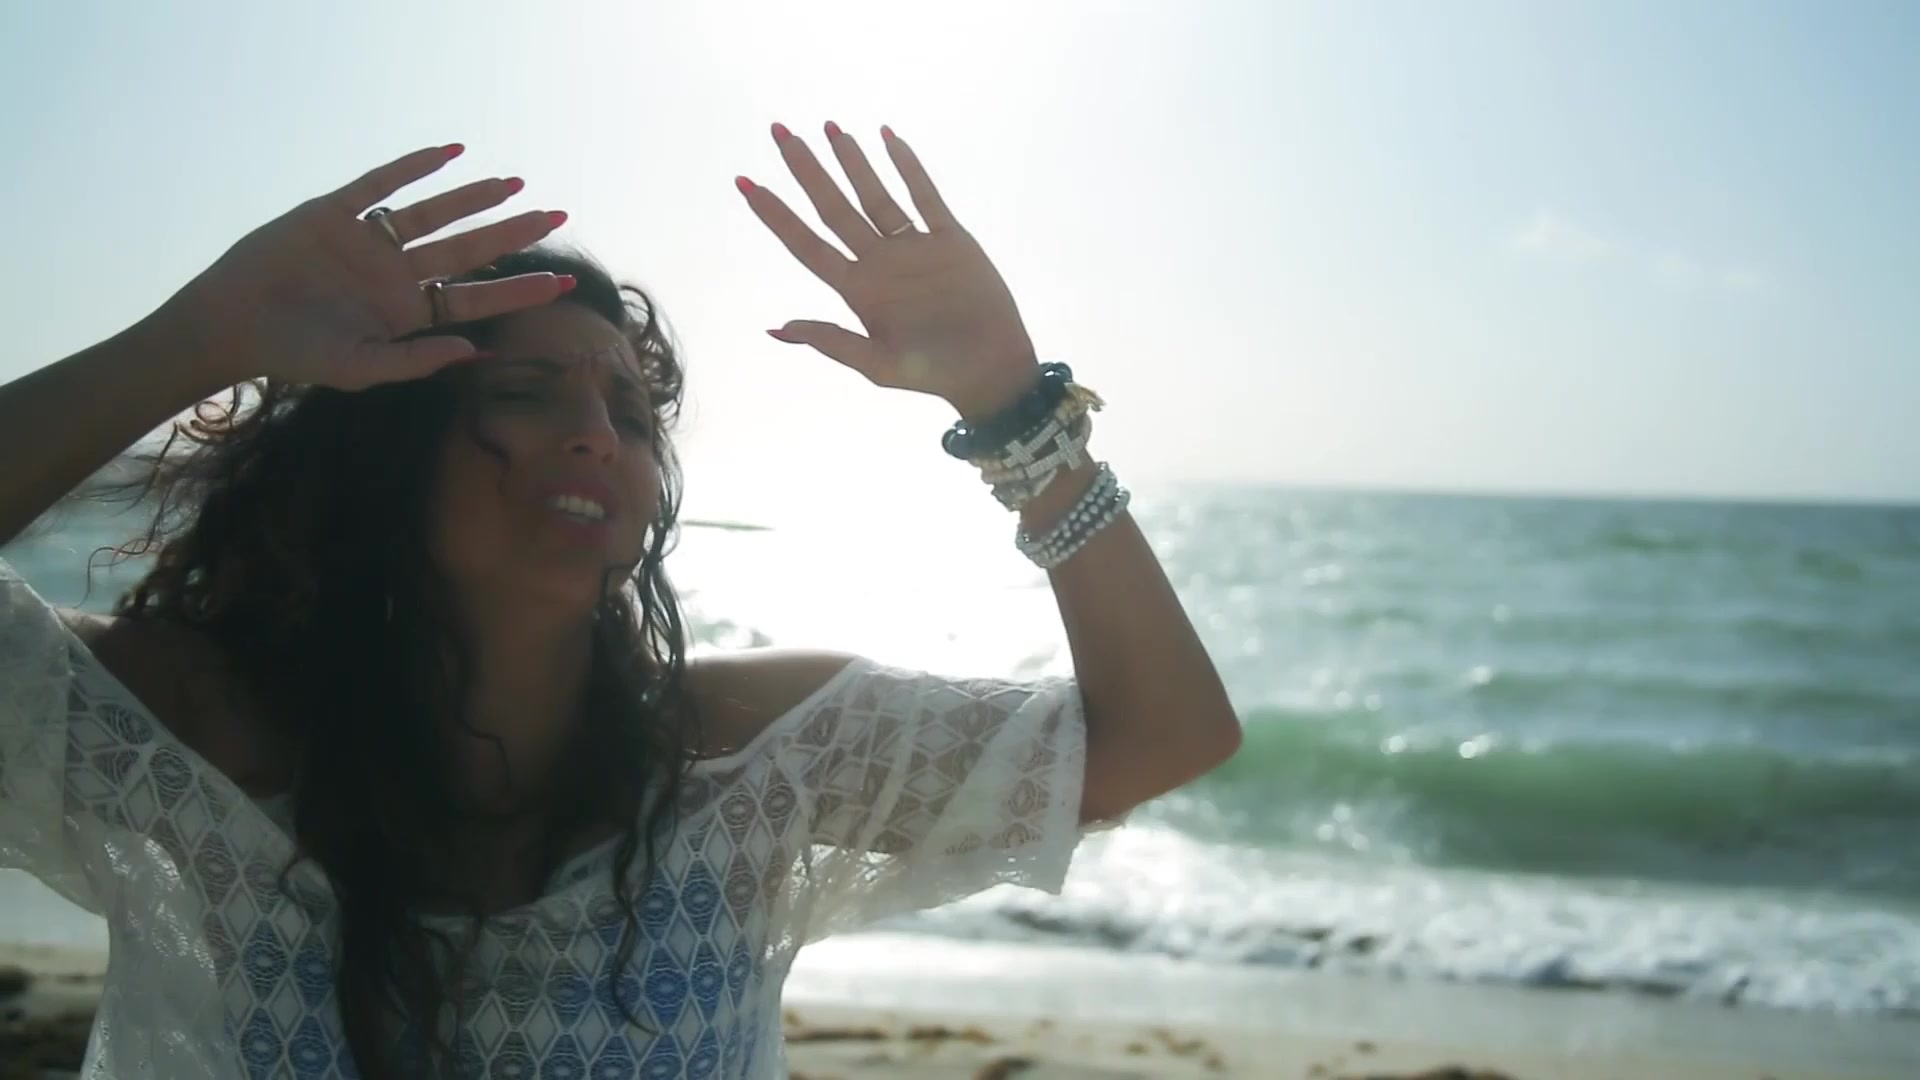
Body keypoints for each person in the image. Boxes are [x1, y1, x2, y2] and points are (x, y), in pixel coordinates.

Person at [0, 123, 1241, 1079]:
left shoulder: (749, 762)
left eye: (633, 413)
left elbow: (1163, 737)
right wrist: (198, 338)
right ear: (384, 445)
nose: (597, 434)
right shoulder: (200, 738)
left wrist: (1015, 406)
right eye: (526, 394)